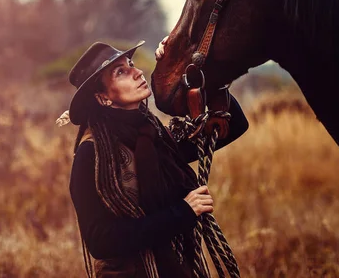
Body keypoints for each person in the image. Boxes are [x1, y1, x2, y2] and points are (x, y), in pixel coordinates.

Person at [62, 38, 248, 278]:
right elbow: (100, 241)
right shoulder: (91, 154)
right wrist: (182, 213)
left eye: (131, 64)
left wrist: (183, 63)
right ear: (102, 97)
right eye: (121, 72)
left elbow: (235, 125)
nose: (137, 72)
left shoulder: (156, 136)